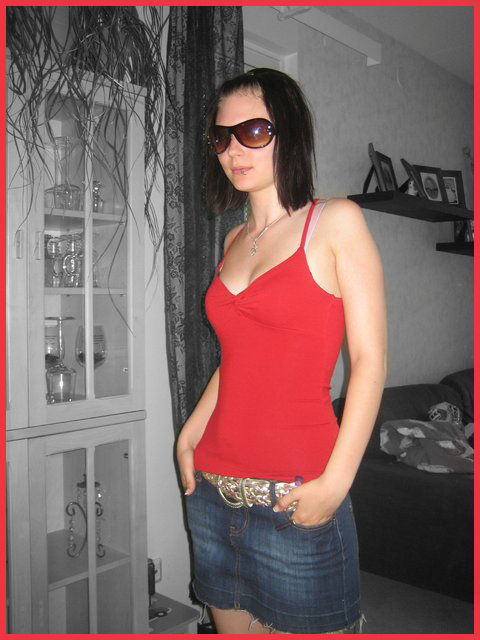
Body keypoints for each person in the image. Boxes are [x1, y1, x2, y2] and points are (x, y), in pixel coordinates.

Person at [176, 67, 387, 634]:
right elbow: (238, 357)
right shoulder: (233, 240)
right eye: (221, 137)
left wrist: (336, 483)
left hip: (297, 495)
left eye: (252, 131)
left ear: (289, 132)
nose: (232, 150)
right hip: (212, 491)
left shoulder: (335, 222)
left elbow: (369, 362)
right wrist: (189, 434)